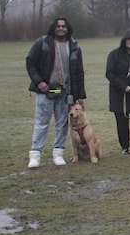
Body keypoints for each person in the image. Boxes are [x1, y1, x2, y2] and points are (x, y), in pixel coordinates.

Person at [25, 17, 86, 168]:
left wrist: (79, 95)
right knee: (41, 123)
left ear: (68, 28)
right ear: (53, 28)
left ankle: (58, 153)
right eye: (58, 26)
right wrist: (39, 81)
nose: (61, 29)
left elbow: (79, 72)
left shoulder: (74, 46)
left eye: (64, 26)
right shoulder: (43, 43)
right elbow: (30, 62)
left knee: (62, 123)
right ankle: (35, 155)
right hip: (45, 90)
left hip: (65, 92)